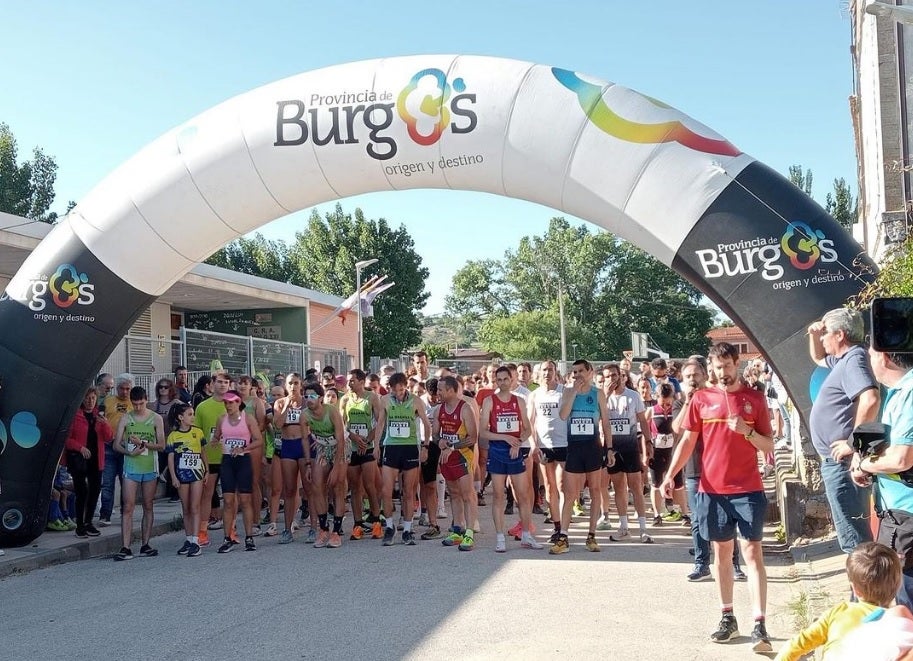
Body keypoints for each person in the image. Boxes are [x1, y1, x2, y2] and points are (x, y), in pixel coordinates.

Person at [661, 342, 775, 652]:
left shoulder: (754, 399)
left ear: (736, 364)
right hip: (712, 490)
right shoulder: (701, 399)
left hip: (748, 489)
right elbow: (687, 440)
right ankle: (728, 617)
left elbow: (768, 445)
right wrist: (670, 475)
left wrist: (746, 432)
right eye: (716, 367)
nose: (720, 373)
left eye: (726, 366)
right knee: (721, 555)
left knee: (752, 554)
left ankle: (759, 624)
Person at [809, 307, 880, 554]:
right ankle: (861, 590)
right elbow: (818, 358)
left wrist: (853, 442)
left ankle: (862, 592)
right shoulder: (842, 360)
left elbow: (870, 399)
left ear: (840, 335)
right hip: (837, 462)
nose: (822, 338)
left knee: (855, 542)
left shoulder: (854, 359)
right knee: (852, 537)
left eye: (825, 333)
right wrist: (813, 332)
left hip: (844, 462)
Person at [851, 342, 913, 607]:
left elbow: (902, 458)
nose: (869, 360)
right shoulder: (898, 392)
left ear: (885, 357)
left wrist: (864, 466)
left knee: (904, 597)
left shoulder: (909, 392)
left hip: (906, 516)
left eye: (872, 354)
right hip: (899, 513)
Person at [774, 541, 901, 661]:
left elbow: (794, 646)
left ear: (854, 588)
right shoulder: (899, 624)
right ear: (898, 585)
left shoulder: (837, 613)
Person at [549, 360, 613, 554]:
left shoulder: (598, 394)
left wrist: (609, 448)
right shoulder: (568, 392)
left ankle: (591, 535)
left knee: (595, 491)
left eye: (581, 371)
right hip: (574, 449)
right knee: (570, 495)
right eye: (574, 372)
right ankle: (564, 538)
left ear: (590, 372)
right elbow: (562, 415)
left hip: (593, 448)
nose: (577, 375)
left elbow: (606, 424)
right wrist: (574, 392)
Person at [479, 365, 542, 553]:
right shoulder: (490, 401)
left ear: (511, 380)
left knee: (523, 494)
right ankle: (499, 537)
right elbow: (483, 431)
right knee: (498, 495)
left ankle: (526, 534)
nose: (502, 382)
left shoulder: (519, 401)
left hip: (516, 450)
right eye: (499, 380)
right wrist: (505, 438)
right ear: (495, 381)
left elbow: (528, 429)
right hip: (498, 450)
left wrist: (518, 442)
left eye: (506, 379)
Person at [376, 372, 432, 546]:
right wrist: (376, 445)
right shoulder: (385, 400)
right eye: (395, 390)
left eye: (401, 389)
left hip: (409, 448)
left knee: (408, 491)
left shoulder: (415, 401)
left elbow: (427, 424)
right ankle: (390, 527)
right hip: (391, 448)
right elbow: (380, 424)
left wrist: (425, 447)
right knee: (386, 490)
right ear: (390, 389)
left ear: (405, 387)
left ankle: (407, 529)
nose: (399, 393)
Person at [112, 386, 166, 561]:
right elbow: (116, 444)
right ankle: (125, 546)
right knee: (128, 506)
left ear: (146, 400)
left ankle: (145, 544)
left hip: (150, 466)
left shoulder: (156, 418)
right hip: (131, 466)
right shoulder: (126, 418)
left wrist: (143, 443)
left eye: (141, 403)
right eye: (134, 404)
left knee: (148, 504)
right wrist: (129, 452)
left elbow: (162, 445)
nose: (138, 407)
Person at [604, 362, 654, 544]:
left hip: (630, 446)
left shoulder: (633, 396)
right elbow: (598, 419)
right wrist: (606, 394)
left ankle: (643, 528)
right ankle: (623, 527)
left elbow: (643, 420)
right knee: (618, 487)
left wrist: (648, 442)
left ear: (622, 377)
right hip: (612, 447)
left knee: (636, 487)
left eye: (614, 376)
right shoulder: (604, 398)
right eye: (608, 376)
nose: (612, 379)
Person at [213, 390, 263, 553]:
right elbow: (216, 436)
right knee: (227, 501)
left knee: (245, 500)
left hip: (243, 460)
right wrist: (214, 441)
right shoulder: (221, 419)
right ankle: (227, 538)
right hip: (227, 461)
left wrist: (243, 448)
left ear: (238, 402)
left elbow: (258, 440)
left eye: (231, 402)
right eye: (226, 403)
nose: (228, 406)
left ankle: (249, 537)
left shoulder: (248, 419)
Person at [302, 382, 349, 548]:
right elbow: (304, 439)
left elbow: (341, 440)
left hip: (339, 447)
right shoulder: (305, 415)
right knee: (316, 486)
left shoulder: (332, 411)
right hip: (322, 448)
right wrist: (308, 463)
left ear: (320, 398)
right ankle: (323, 529)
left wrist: (336, 467)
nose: (309, 399)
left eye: (312, 396)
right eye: (306, 396)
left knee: (337, 486)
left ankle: (336, 532)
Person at [436, 375, 479, 551]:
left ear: (451, 390)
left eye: (440, 389)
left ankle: (469, 533)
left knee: (467, 494)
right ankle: (457, 529)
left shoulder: (465, 409)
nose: (437, 392)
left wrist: (452, 446)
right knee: (453, 493)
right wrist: (439, 441)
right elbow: (435, 434)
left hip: (463, 456)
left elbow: (473, 437)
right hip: (447, 457)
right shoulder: (439, 409)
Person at [340, 369, 384, 540]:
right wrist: (352, 437)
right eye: (348, 381)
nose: (349, 384)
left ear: (361, 381)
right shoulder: (345, 399)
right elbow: (342, 425)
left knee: (369, 485)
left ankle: (376, 520)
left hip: (368, 446)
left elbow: (380, 421)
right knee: (354, 487)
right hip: (352, 447)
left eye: (352, 381)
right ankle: (357, 524)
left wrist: (367, 440)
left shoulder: (372, 397)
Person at [65, 386, 112, 537]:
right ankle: (80, 525)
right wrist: (80, 448)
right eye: (87, 398)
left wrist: (104, 423)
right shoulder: (75, 415)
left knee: (95, 490)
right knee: (82, 491)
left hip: (96, 459)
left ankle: (88, 522)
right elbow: (67, 439)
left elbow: (109, 437)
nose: (90, 401)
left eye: (93, 398)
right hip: (79, 459)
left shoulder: (99, 415)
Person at [528, 360, 568, 540]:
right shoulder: (535, 395)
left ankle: (565, 524)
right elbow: (530, 422)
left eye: (550, 370)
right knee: (550, 486)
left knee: (562, 485)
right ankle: (557, 526)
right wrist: (533, 444)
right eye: (544, 370)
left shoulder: (563, 391)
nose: (547, 373)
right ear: (539, 373)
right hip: (544, 445)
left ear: (555, 372)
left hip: (563, 443)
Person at [273, 374, 313, 544]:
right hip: (288, 446)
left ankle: (314, 528)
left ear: (301, 385)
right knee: (289, 490)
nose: (293, 386)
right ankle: (287, 529)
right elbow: (277, 424)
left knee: (309, 489)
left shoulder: (307, 402)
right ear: (286, 386)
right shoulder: (280, 403)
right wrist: (287, 405)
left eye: (296, 383)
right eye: (290, 383)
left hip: (304, 445)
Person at [165, 403, 208, 557]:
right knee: (186, 507)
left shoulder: (198, 432)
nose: (193, 417)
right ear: (180, 418)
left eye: (193, 414)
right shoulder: (173, 436)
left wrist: (207, 470)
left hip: (196, 473)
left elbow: (203, 452)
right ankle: (189, 538)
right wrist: (173, 477)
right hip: (181, 474)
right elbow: (170, 458)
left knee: (195, 506)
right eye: (189, 414)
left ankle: (196, 541)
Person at [98, 373, 133, 526]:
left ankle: (125, 514)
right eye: (121, 388)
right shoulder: (108, 400)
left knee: (126, 483)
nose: (124, 392)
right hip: (109, 445)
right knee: (107, 483)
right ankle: (105, 514)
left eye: (127, 389)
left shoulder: (135, 402)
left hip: (126, 447)